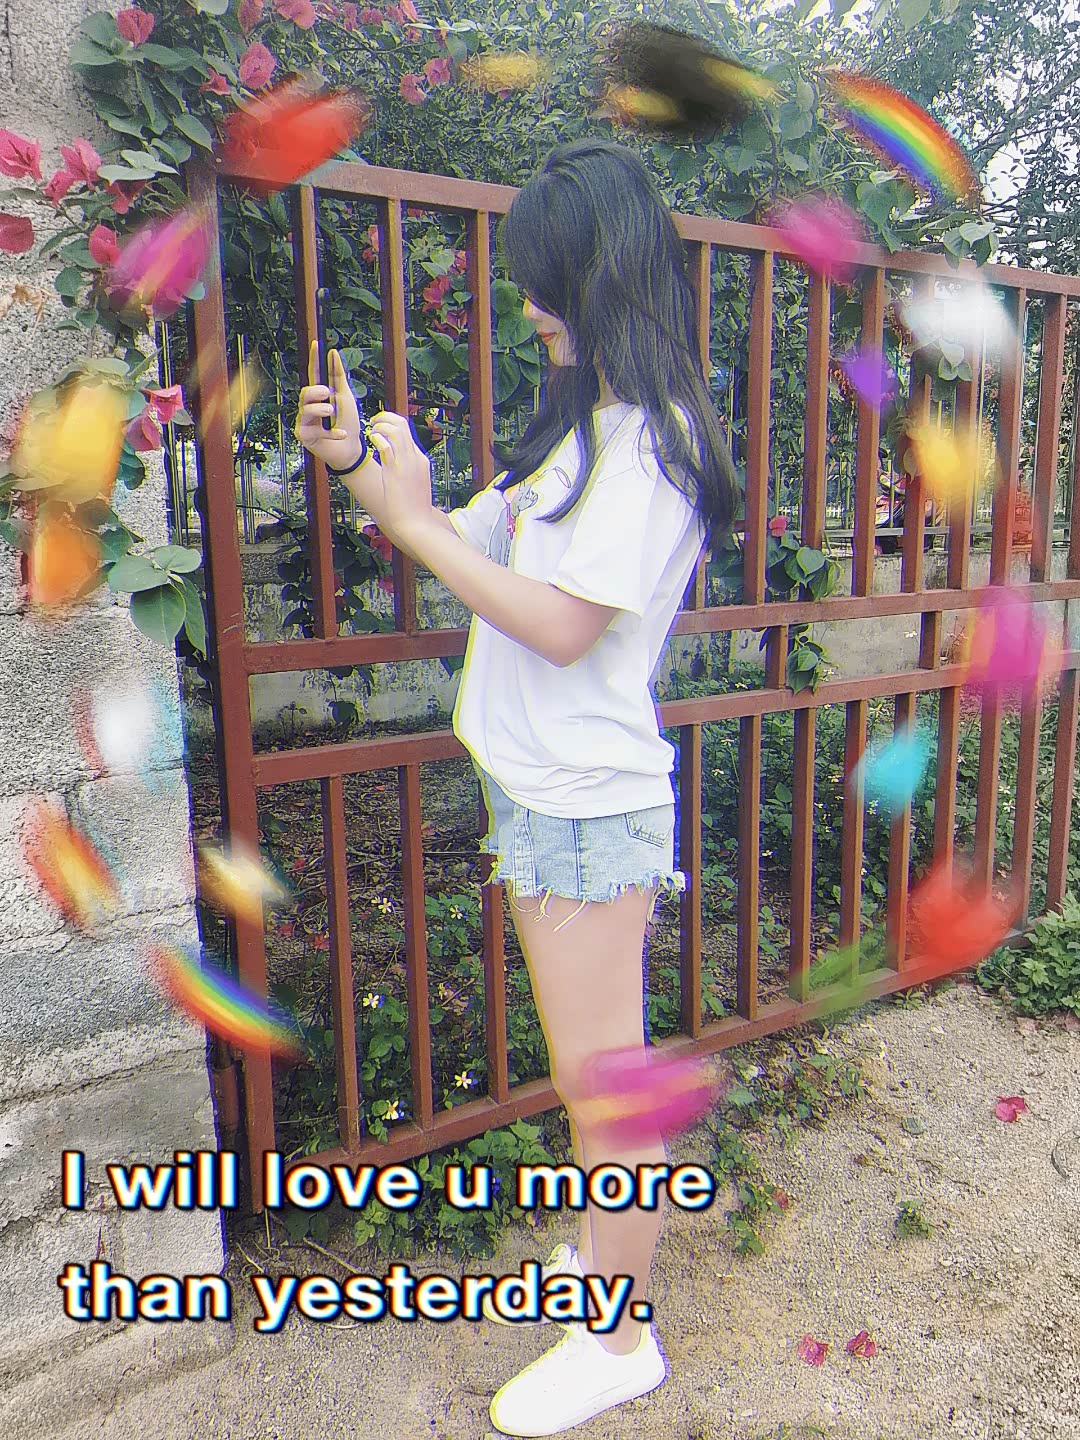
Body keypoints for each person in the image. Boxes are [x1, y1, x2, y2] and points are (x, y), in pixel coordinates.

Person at [295, 138, 738, 1437]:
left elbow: (555, 624)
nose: (530, 307)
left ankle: (621, 1339)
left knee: (606, 1088)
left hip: (589, 807)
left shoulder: (651, 443)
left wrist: (416, 527)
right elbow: (467, 544)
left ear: (601, 277)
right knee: (591, 1074)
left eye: (546, 282)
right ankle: (608, 1260)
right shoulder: (579, 430)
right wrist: (371, 476)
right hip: (548, 797)